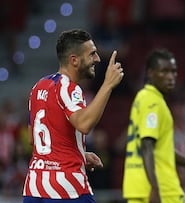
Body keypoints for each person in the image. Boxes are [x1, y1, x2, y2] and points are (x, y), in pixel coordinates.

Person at [22, 29, 124, 203]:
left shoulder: (39, 86)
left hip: (34, 188)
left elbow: (36, 141)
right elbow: (84, 124)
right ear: (74, 60)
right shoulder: (69, 88)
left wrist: (79, 154)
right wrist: (107, 85)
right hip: (66, 187)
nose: (97, 59)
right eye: (92, 54)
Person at [123, 48, 185, 203]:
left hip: (138, 187)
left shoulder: (142, 98)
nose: (170, 77)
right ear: (150, 73)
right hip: (162, 191)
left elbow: (162, 150)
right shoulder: (153, 102)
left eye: (173, 71)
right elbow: (146, 145)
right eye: (164, 71)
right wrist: (155, 188)